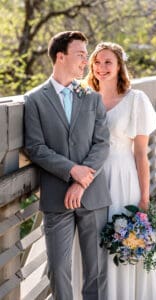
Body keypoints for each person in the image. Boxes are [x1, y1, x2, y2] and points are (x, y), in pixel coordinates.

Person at [85, 42, 156, 300]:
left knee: (124, 238)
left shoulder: (135, 99)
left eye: (108, 62)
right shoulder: (86, 99)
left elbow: (140, 153)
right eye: (97, 62)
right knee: (93, 241)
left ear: (119, 67)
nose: (102, 67)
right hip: (92, 179)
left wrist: (144, 197)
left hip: (123, 178)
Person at [24, 31, 111, 300]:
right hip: (55, 196)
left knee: (96, 270)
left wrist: (81, 181)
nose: (86, 61)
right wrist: (72, 171)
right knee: (58, 269)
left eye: (86, 55)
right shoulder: (35, 99)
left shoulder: (92, 97)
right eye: (81, 55)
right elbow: (35, 147)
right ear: (60, 57)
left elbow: (102, 144)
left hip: (93, 194)